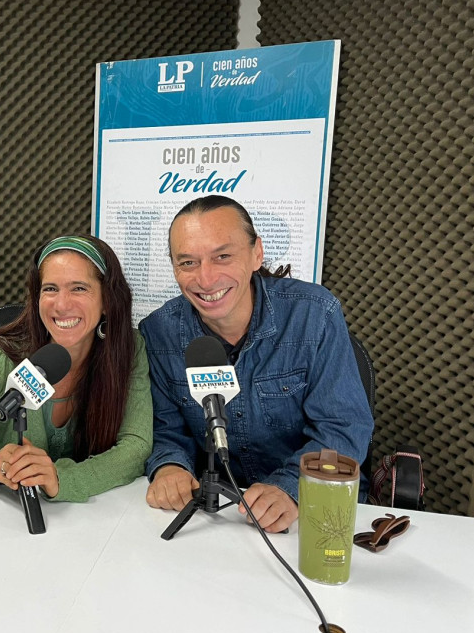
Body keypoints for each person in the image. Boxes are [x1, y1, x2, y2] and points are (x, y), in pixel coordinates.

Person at [140, 195, 372, 532]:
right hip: (218, 516)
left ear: (256, 253)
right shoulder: (158, 333)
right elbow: (165, 431)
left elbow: (342, 428)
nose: (206, 279)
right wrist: (169, 467)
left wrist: (290, 487)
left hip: (314, 508)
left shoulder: (314, 314)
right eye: (188, 262)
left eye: (222, 256)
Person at [0, 234, 153, 502]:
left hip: (97, 517)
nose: (62, 304)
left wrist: (63, 479)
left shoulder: (129, 349)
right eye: (50, 289)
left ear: (108, 300)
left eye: (79, 288)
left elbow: (136, 446)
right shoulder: (1, 358)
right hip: (7, 514)